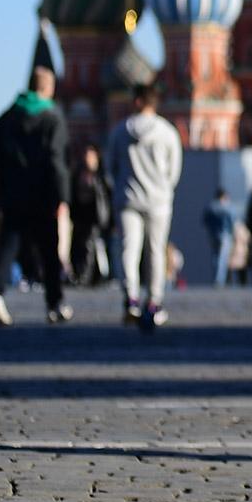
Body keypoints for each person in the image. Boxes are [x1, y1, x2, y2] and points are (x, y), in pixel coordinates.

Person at [0, 65, 72, 325]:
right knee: (49, 252)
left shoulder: (6, 118)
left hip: (13, 194)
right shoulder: (52, 119)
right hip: (43, 196)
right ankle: (55, 303)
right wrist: (62, 197)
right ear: (47, 89)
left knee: (8, 245)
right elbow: (57, 161)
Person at [105, 82, 183, 329]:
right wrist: (164, 189)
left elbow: (110, 167)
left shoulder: (119, 131)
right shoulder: (167, 131)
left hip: (127, 198)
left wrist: (120, 187)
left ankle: (131, 298)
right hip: (159, 201)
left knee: (129, 249)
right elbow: (174, 169)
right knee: (156, 251)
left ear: (137, 101)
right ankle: (154, 301)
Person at [68, 145, 111, 286]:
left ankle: (87, 276)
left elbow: (107, 196)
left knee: (90, 246)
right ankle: (81, 274)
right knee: (78, 246)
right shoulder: (77, 174)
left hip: (95, 217)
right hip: (80, 216)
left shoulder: (101, 176)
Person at [203, 188, 237, 287]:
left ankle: (216, 278)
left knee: (215, 256)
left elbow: (205, 221)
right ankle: (219, 280)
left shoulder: (210, 207)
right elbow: (232, 221)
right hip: (225, 235)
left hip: (213, 234)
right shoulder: (227, 207)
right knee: (223, 258)